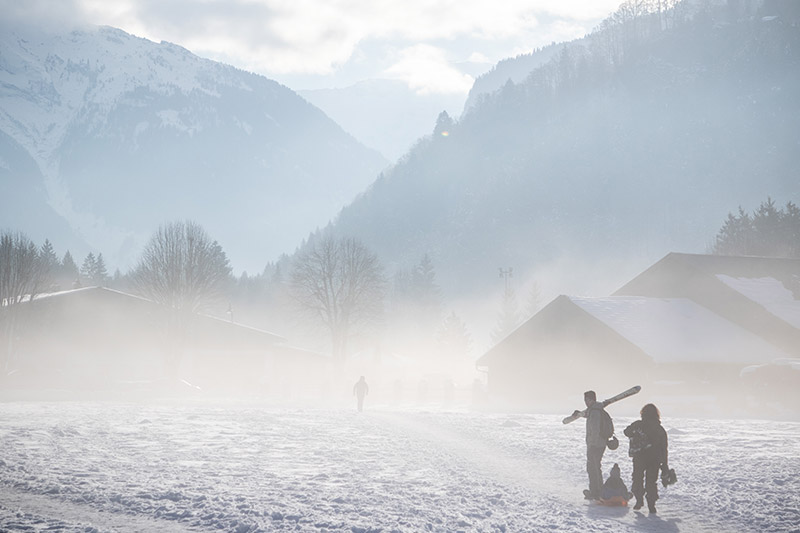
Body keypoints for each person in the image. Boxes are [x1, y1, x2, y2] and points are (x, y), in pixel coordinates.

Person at [623, 403, 669, 513]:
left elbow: (626, 432)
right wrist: (665, 464)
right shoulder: (660, 429)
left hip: (639, 457)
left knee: (637, 479)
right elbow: (664, 447)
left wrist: (635, 432)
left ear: (643, 413)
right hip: (655, 459)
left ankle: (639, 501)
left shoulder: (638, 424)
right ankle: (651, 505)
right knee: (651, 482)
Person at [576, 390, 609, 500]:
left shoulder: (594, 412)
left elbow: (595, 429)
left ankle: (595, 492)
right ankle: (598, 490)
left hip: (596, 444)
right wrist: (579, 414)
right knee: (596, 467)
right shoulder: (595, 410)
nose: (585, 402)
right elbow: (587, 414)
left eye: (587, 400)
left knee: (592, 468)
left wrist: (592, 444)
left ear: (592, 400)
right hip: (600, 443)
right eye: (585, 400)